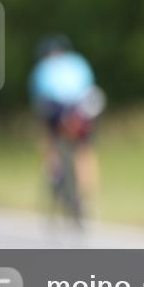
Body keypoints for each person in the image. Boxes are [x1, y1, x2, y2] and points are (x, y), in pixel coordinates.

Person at [29, 35, 105, 218]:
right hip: (83, 110)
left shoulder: (43, 68)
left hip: (57, 109)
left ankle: (54, 173)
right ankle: (87, 196)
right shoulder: (78, 62)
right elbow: (89, 88)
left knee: (52, 144)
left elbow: (39, 100)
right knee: (84, 151)